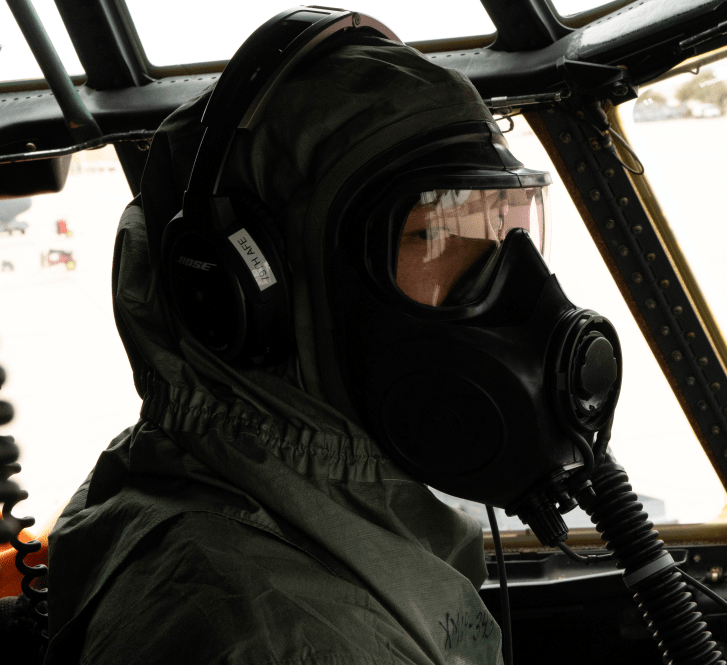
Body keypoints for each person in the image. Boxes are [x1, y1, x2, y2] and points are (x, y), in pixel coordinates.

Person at [42, 18, 558, 664]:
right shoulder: (276, 637)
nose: (511, 288)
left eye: (507, 231)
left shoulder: (184, 473)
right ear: (249, 297)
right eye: (436, 235)